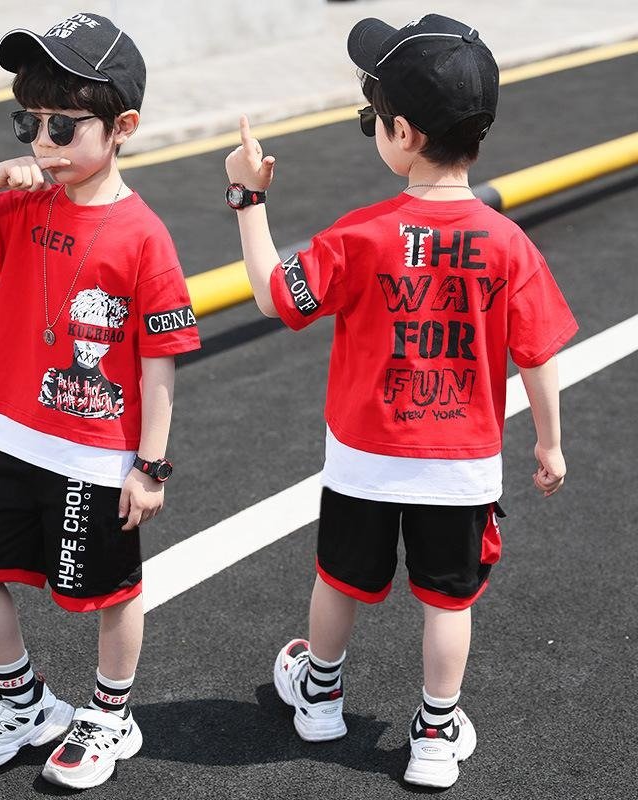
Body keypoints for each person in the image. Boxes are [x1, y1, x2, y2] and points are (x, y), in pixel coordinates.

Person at [224, 13, 577, 789]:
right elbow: (538, 352)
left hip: (365, 457)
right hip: (461, 465)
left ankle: (319, 696)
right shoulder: (507, 244)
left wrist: (247, 198)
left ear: (404, 134)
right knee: (449, 602)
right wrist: (549, 443)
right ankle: (436, 732)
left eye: (371, 119)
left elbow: (275, 295)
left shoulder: (363, 235)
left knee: (338, 579)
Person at [0, 11, 200, 790]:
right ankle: (25, 703)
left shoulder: (144, 236)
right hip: (11, 438)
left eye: (64, 125)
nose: (44, 142)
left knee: (109, 592)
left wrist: (151, 466)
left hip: (96, 455)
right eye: (30, 123)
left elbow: (161, 362)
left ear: (123, 127)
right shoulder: (24, 206)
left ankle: (110, 714)